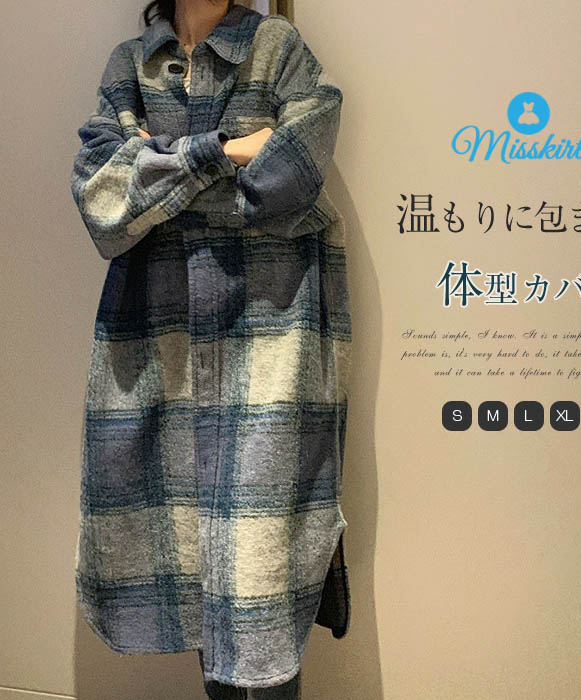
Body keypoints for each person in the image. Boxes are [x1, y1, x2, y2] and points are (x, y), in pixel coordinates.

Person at [69, 2, 353, 699]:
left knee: (262, 551)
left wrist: (160, 164)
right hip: (155, 334)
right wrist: (225, 152)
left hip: (272, 327)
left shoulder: (276, 46)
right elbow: (102, 200)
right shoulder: (130, 65)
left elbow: (299, 167)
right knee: (191, 550)